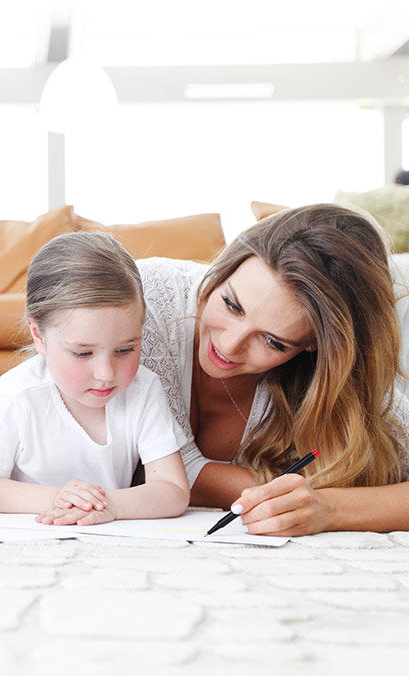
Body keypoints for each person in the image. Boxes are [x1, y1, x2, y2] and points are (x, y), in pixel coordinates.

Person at [139, 203, 409, 536]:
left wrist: (329, 509)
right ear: (229, 267)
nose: (229, 345)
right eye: (231, 305)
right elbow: (176, 472)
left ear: (315, 347)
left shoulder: (330, 383)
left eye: (273, 342)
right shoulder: (144, 300)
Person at [0, 232, 190, 525]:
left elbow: (173, 490)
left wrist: (109, 505)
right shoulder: (17, 393)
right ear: (38, 336)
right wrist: (56, 498)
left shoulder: (145, 388)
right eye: (82, 353)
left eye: (125, 349)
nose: (106, 374)